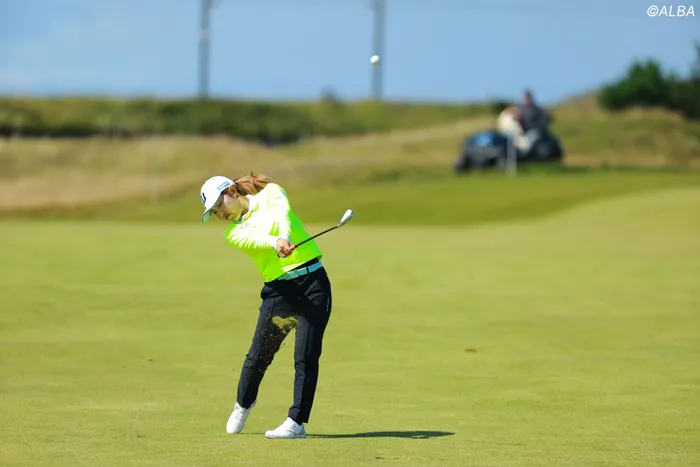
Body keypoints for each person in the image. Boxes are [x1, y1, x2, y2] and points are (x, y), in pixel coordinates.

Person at [199, 172, 333, 440]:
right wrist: (276, 242)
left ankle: (296, 423)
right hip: (281, 294)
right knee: (259, 355)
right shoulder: (234, 233)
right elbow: (257, 240)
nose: (219, 213)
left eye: (218, 204)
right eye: (213, 212)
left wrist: (284, 236)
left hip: (314, 286)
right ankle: (243, 404)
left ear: (231, 191)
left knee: (306, 357)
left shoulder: (270, 192)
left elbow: (283, 214)